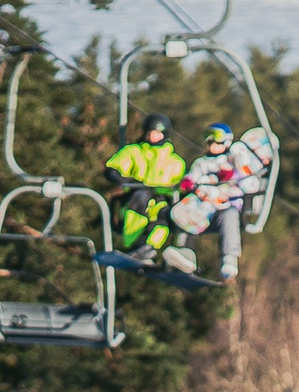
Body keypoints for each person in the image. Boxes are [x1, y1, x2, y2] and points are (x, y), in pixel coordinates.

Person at [167, 123, 276, 275]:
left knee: (229, 214)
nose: (211, 144)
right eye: (208, 140)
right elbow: (194, 176)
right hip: (204, 203)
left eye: (216, 140)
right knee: (186, 209)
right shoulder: (202, 163)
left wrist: (228, 178)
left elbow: (246, 182)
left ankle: (229, 259)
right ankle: (184, 253)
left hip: (224, 206)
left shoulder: (232, 161)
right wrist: (190, 183)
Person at [104, 115, 193, 275]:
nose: (153, 137)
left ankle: (150, 248)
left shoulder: (175, 162)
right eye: (150, 133)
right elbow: (113, 169)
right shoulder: (134, 152)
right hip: (136, 199)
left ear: (165, 134)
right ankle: (136, 244)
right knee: (141, 195)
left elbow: (181, 185)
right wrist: (124, 179)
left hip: (160, 202)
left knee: (170, 215)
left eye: (158, 133)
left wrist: (182, 189)